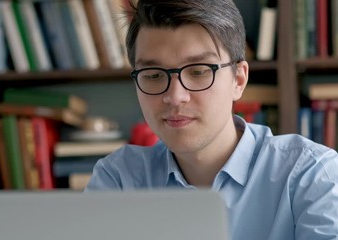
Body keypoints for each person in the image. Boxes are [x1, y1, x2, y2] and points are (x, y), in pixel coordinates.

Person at [85, 0, 338, 239]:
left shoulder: (312, 175)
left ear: (238, 80)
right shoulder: (119, 180)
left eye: (198, 72)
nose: (175, 97)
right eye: (153, 75)